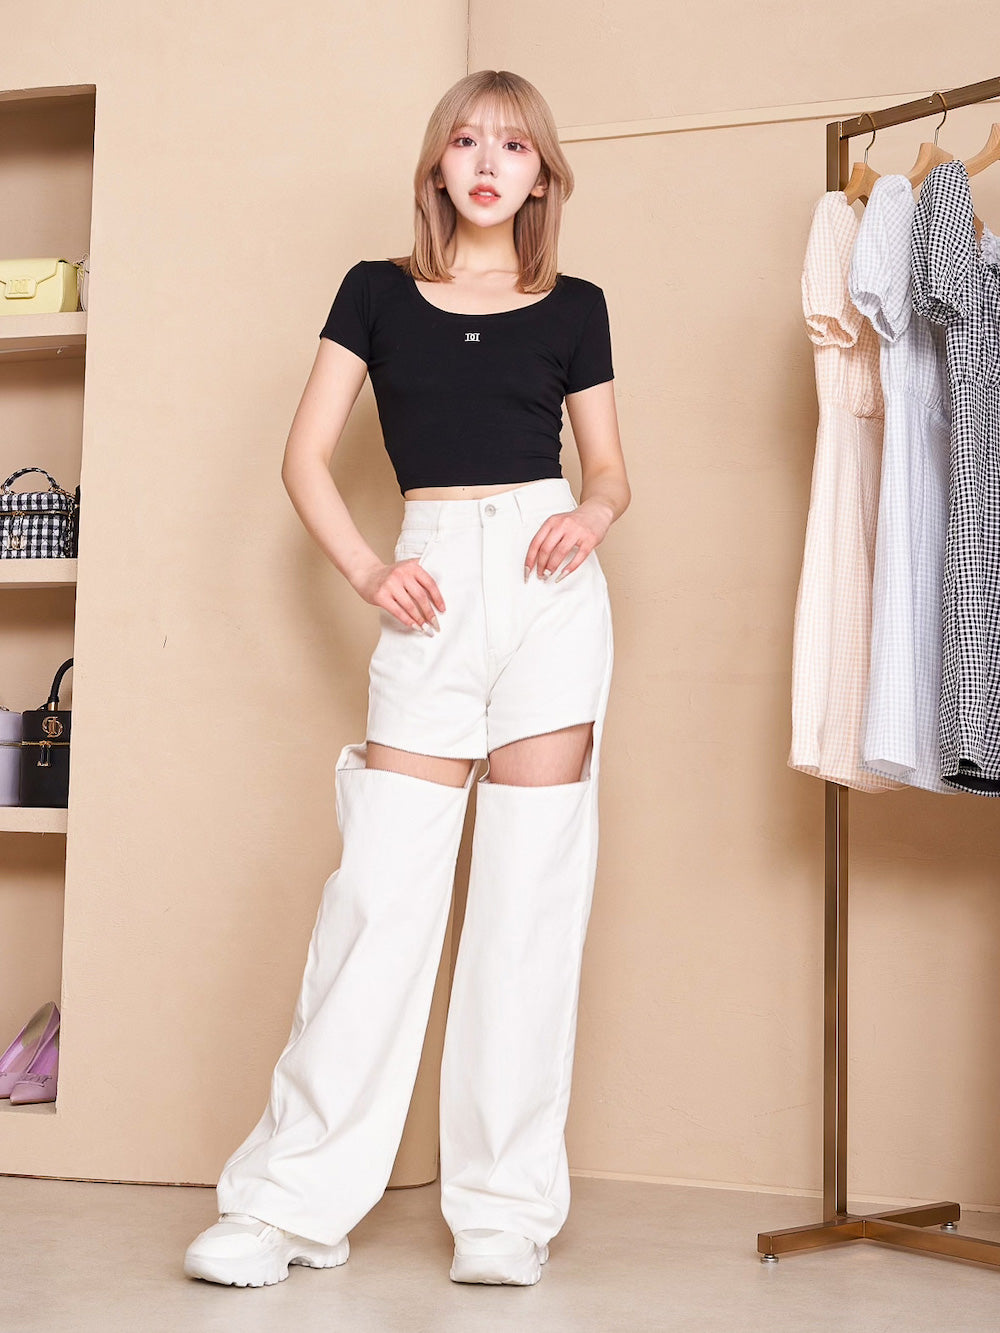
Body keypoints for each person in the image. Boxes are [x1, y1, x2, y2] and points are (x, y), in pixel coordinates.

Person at [183, 67, 630, 1291]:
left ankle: (503, 1212)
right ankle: (287, 1203)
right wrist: (371, 571)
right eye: (467, 141)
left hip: (546, 589)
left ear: (542, 175)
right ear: (437, 163)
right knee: (378, 898)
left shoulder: (575, 305)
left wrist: (591, 516)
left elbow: (608, 471)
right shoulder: (373, 292)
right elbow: (304, 456)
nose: (488, 163)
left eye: (515, 147)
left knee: (529, 902)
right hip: (428, 581)